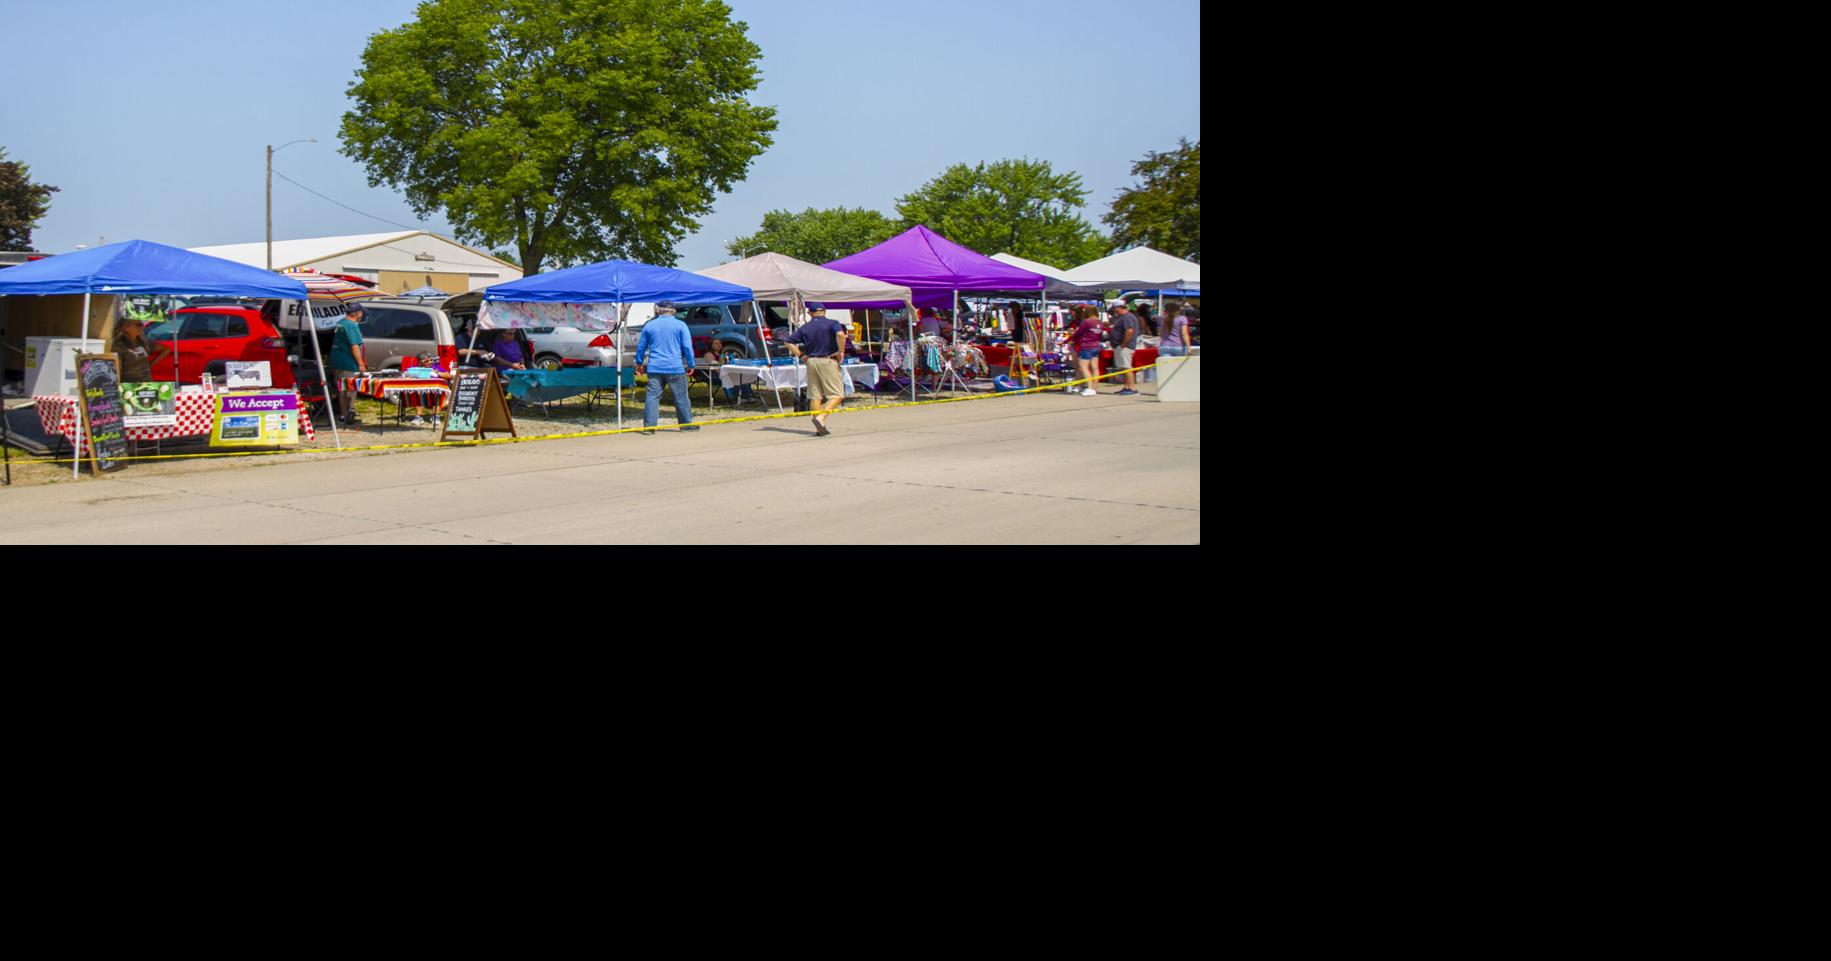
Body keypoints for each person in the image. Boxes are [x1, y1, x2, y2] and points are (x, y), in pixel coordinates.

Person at [635, 300, 698, 435]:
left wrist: (639, 362)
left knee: (652, 397)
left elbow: (641, 347)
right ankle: (686, 426)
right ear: (674, 311)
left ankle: (649, 427)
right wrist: (691, 364)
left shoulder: (649, 325)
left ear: (658, 310)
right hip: (675, 366)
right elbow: (687, 347)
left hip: (655, 367)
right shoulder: (681, 325)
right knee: (681, 397)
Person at [785, 304, 848, 437]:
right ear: (824, 311)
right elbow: (840, 334)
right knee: (837, 394)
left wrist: (801, 355)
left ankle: (819, 427)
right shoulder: (833, 323)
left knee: (815, 395)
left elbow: (788, 342)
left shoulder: (805, 327)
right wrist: (841, 351)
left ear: (810, 313)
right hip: (828, 359)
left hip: (811, 361)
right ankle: (821, 418)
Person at [329, 303, 369, 425]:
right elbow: (354, 347)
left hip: (337, 360)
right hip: (348, 362)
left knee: (342, 389)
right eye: (361, 312)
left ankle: (342, 415)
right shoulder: (351, 326)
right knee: (351, 389)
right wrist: (361, 364)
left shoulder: (341, 323)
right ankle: (350, 413)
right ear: (357, 313)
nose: (362, 314)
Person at [111, 316, 168, 383]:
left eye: (141, 325)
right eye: (138, 325)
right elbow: (117, 370)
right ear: (126, 328)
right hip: (130, 386)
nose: (142, 327)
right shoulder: (119, 346)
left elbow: (166, 349)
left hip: (147, 383)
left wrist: (151, 364)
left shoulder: (143, 342)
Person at [1107, 302, 1141, 397]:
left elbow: (1129, 331)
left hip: (1125, 346)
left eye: (1114, 308)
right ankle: (1126, 387)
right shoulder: (1122, 317)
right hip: (1120, 346)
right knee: (1123, 367)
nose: (1114, 310)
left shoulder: (1127, 317)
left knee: (1126, 367)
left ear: (1119, 307)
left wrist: (1123, 344)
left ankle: (1132, 388)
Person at [1071, 305, 1104, 397]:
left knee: (1083, 367)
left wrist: (1071, 339)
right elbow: (1100, 335)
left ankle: (1089, 388)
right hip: (1096, 346)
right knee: (1095, 368)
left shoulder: (1087, 322)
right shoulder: (1099, 322)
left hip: (1086, 346)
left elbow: (1078, 333)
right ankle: (1094, 387)